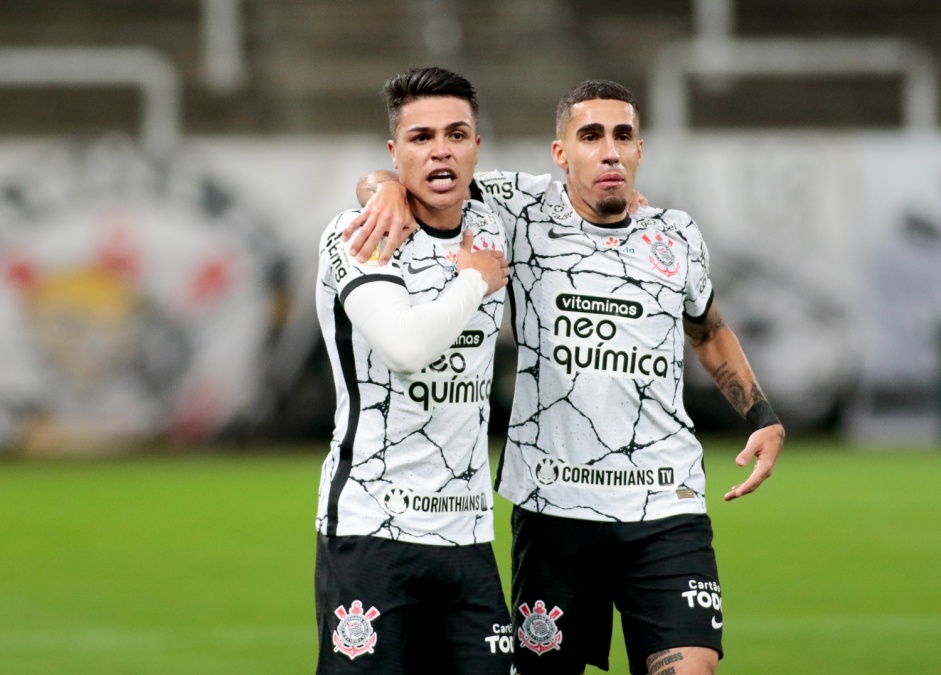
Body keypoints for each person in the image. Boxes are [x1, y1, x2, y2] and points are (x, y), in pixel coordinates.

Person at [348, 79, 785, 675]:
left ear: (639, 150)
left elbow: (707, 331)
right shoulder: (519, 208)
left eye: (623, 136)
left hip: (665, 502)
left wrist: (762, 416)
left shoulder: (677, 235)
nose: (609, 150)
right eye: (590, 136)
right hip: (553, 503)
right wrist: (387, 191)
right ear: (560, 154)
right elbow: (420, 174)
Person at [314, 67, 515, 674]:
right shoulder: (361, 235)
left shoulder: (494, 222)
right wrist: (474, 280)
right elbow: (405, 347)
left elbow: (586, 195)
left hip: (467, 535)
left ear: (478, 146)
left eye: (457, 134)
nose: (441, 150)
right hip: (373, 529)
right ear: (395, 151)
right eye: (421, 137)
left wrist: (628, 202)